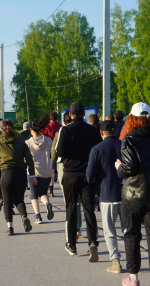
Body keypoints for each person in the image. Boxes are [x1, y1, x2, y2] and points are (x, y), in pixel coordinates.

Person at [116, 102, 150, 286]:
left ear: (131, 118)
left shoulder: (130, 140)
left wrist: (119, 169)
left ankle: (133, 277)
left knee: (132, 234)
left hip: (132, 195)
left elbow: (129, 166)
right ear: (149, 118)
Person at [56, 101, 102, 262]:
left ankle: (71, 244)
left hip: (70, 174)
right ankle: (93, 242)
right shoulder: (92, 130)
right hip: (87, 174)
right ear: (84, 114)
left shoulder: (65, 130)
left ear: (70, 115)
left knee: (71, 208)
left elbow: (60, 152)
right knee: (89, 209)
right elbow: (98, 150)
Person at [0, 119, 36, 235]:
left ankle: (10, 228)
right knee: (19, 199)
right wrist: (32, 174)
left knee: (7, 200)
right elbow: (29, 159)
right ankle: (24, 217)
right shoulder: (20, 141)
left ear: (2, 130)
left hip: (6, 174)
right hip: (20, 173)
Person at [86, 120, 125, 274]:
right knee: (128, 230)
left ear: (101, 133)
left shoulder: (96, 149)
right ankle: (134, 258)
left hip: (107, 194)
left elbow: (89, 175)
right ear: (116, 131)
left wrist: (93, 181)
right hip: (126, 194)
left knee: (109, 231)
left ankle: (115, 261)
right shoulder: (124, 145)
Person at [52, 112, 84, 240]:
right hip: (82, 167)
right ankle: (78, 227)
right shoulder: (83, 130)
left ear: (64, 121)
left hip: (64, 167)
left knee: (69, 200)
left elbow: (54, 154)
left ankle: (71, 229)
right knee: (78, 201)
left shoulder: (61, 132)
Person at [26, 114, 54, 224]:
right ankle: (47, 204)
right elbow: (52, 154)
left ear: (31, 129)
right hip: (46, 172)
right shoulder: (48, 140)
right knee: (43, 193)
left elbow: (25, 158)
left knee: (34, 195)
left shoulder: (28, 143)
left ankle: (38, 216)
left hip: (33, 172)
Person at [43, 111, 62, 197]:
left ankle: (51, 191)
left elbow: (43, 139)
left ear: (50, 118)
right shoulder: (60, 127)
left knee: (50, 170)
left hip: (49, 150)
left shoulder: (46, 128)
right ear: (57, 118)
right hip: (60, 150)